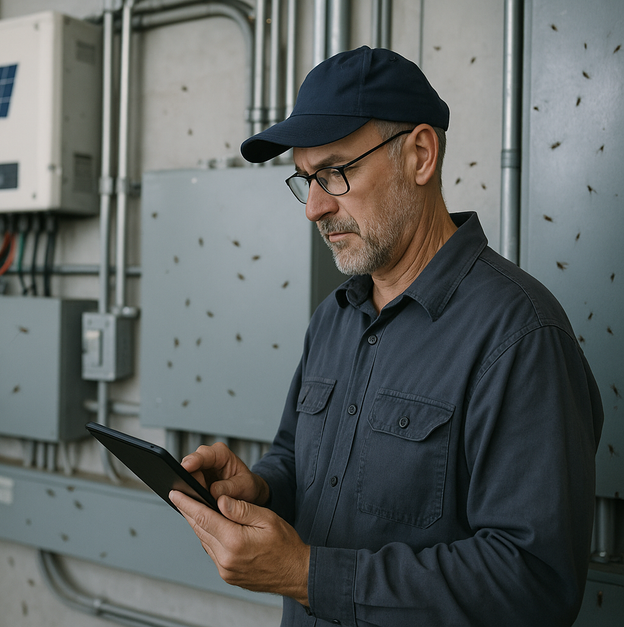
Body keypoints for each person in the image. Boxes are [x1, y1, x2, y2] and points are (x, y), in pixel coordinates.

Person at [169, 46, 604, 626]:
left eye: (335, 172)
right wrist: (263, 489)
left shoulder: (519, 335)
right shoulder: (334, 317)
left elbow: (533, 582)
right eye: (305, 180)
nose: (315, 208)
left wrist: (306, 575)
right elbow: (300, 459)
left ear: (420, 155)